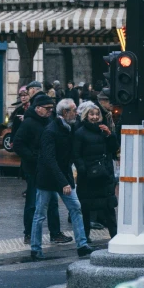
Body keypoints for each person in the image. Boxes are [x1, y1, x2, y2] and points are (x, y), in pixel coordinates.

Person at [30, 98, 95, 261]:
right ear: (65, 112)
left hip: (62, 176)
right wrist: (64, 182)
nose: (77, 113)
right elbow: (49, 160)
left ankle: (82, 245)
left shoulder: (70, 127)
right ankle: (35, 248)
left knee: (76, 207)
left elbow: (69, 155)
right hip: (48, 178)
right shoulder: (51, 131)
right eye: (74, 110)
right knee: (40, 213)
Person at [13, 93, 71, 246]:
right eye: (47, 108)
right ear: (38, 108)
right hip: (33, 169)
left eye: (52, 108)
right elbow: (18, 144)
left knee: (52, 202)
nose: (50, 111)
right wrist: (33, 157)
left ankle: (55, 233)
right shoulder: (28, 123)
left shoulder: (50, 121)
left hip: (49, 168)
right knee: (32, 202)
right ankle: (29, 234)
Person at [73, 101, 118, 242]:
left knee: (108, 207)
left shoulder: (103, 130)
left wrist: (110, 135)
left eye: (97, 114)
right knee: (86, 208)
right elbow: (76, 154)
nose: (94, 117)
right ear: (86, 116)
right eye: (91, 114)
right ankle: (85, 238)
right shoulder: (80, 132)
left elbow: (113, 149)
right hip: (88, 177)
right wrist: (83, 170)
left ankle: (115, 236)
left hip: (103, 175)